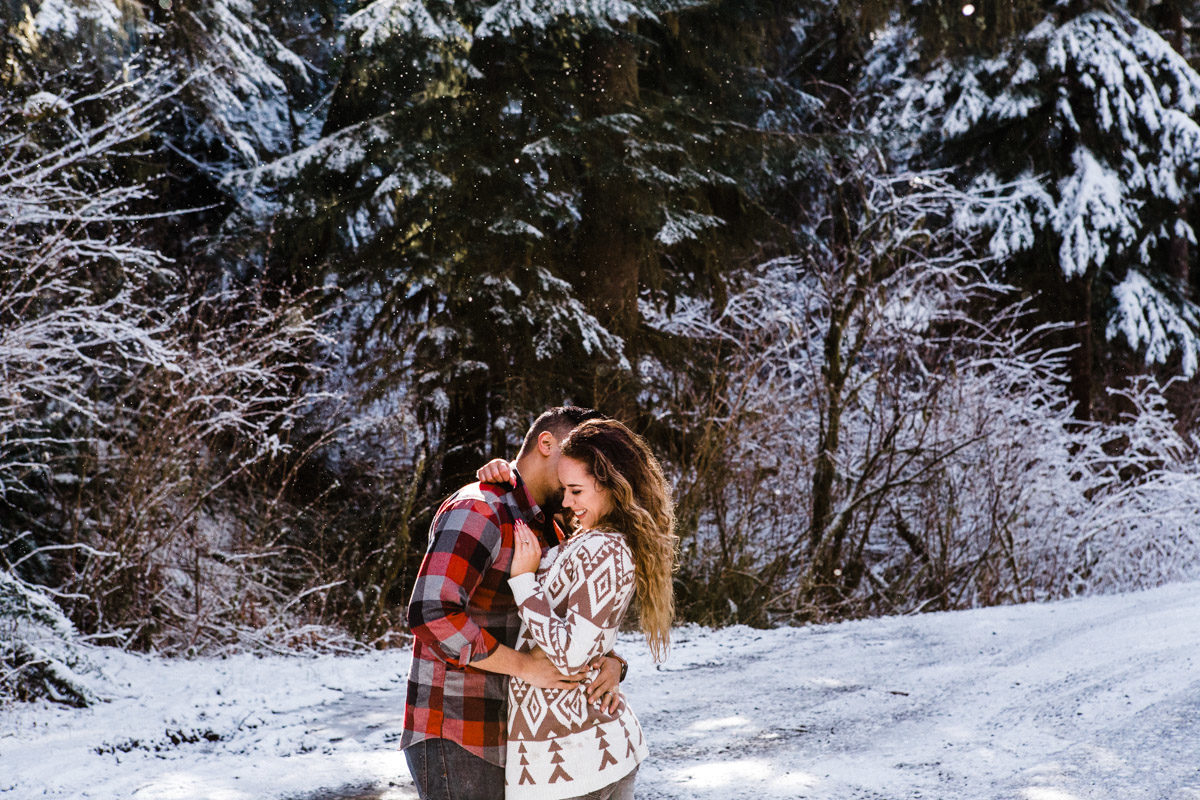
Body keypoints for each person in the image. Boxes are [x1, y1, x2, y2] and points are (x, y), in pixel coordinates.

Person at [401, 406, 627, 800]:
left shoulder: (552, 526)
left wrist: (612, 662)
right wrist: (526, 668)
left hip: (516, 733)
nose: (583, 470)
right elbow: (430, 612)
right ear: (546, 443)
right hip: (459, 729)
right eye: (577, 454)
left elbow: (563, 622)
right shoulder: (480, 508)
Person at [503, 418, 678, 800]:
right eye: (564, 489)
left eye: (576, 490)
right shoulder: (596, 540)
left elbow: (570, 656)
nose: (566, 502)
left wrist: (522, 581)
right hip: (576, 755)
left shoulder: (604, 549)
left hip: (573, 763)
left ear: (612, 485)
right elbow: (587, 636)